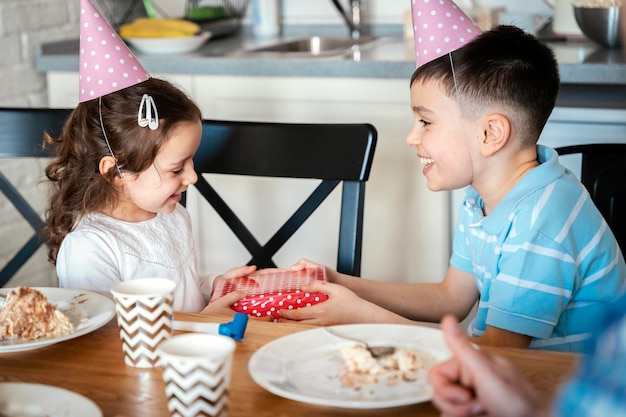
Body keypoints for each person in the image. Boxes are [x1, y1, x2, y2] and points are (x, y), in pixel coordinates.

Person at [279, 23, 626, 352]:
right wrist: (340, 283)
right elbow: (451, 299)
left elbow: (499, 356)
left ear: (490, 134)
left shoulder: (541, 220)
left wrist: (362, 318)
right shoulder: (483, 196)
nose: (411, 137)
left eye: (425, 121)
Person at [42, 0, 252, 314]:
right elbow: (103, 346)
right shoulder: (91, 249)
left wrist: (214, 285)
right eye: (177, 168)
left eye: (190, 162)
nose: (192, 177)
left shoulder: (172, 215)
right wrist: (205, 323)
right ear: (116, 173)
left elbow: (181, 294)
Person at [429, 290, 626, 417]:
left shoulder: (540, 231)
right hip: (544, 396)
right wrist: (530, 409)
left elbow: (503, 344)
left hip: (550, 379)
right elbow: (452, 295)